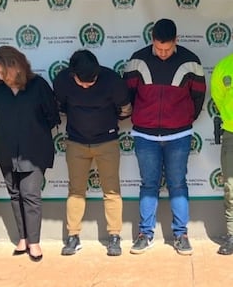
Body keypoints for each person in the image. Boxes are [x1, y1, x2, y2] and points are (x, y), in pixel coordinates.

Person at [123, 18, 206, 255]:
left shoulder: (191, 61)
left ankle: (181, 235)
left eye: (167, 48)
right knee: (148, 185)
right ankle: (145, 234)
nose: (162, 53)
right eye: (158, 48)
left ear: (176, 40)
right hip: (144, 135)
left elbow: (198, 97)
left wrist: (185, 118)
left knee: (177, 184)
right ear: (152, 40)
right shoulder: (137, 59)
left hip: (179, 134)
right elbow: (127, 94)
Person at [53, 49, 132, 257]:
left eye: (92, 81)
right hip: (76, 142)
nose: (88, 85)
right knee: (76, 190)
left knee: (112, 190)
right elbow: (60, 107)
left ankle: (114, 236)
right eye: (83, 82)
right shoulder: (62, 80)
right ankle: (73, 236)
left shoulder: (112, 80)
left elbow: (125, 110)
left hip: (107, 141)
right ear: (73, 74)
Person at [0, 46, 60, 262]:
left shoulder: (38, 86)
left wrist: (32, 130)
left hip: (34, 151)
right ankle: (23, 238)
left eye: (3, 72)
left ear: (15, 66)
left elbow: (52, 116)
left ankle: (34, 242)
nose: (0, 77)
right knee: (15, 194)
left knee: (30, 194)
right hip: (6, 149)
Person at [210, 53, 233, 255]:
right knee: (231, 188)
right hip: (231, 134)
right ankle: (232, 235)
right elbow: (218, 98)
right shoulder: (223, 67)